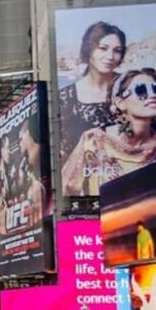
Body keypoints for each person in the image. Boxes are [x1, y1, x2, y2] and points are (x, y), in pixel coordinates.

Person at [63, 68, 156, 196]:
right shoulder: (93, 141)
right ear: (120, 103)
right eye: (141, 90)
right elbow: (66, 192)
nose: (153, 95)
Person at [59, 21, 126, 197]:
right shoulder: (66, 97)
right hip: (85, 195)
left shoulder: (131, 88)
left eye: (117, 51)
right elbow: (64, 152)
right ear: (89, 50)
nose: (110, 56)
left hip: (130, 184)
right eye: (103, 48)